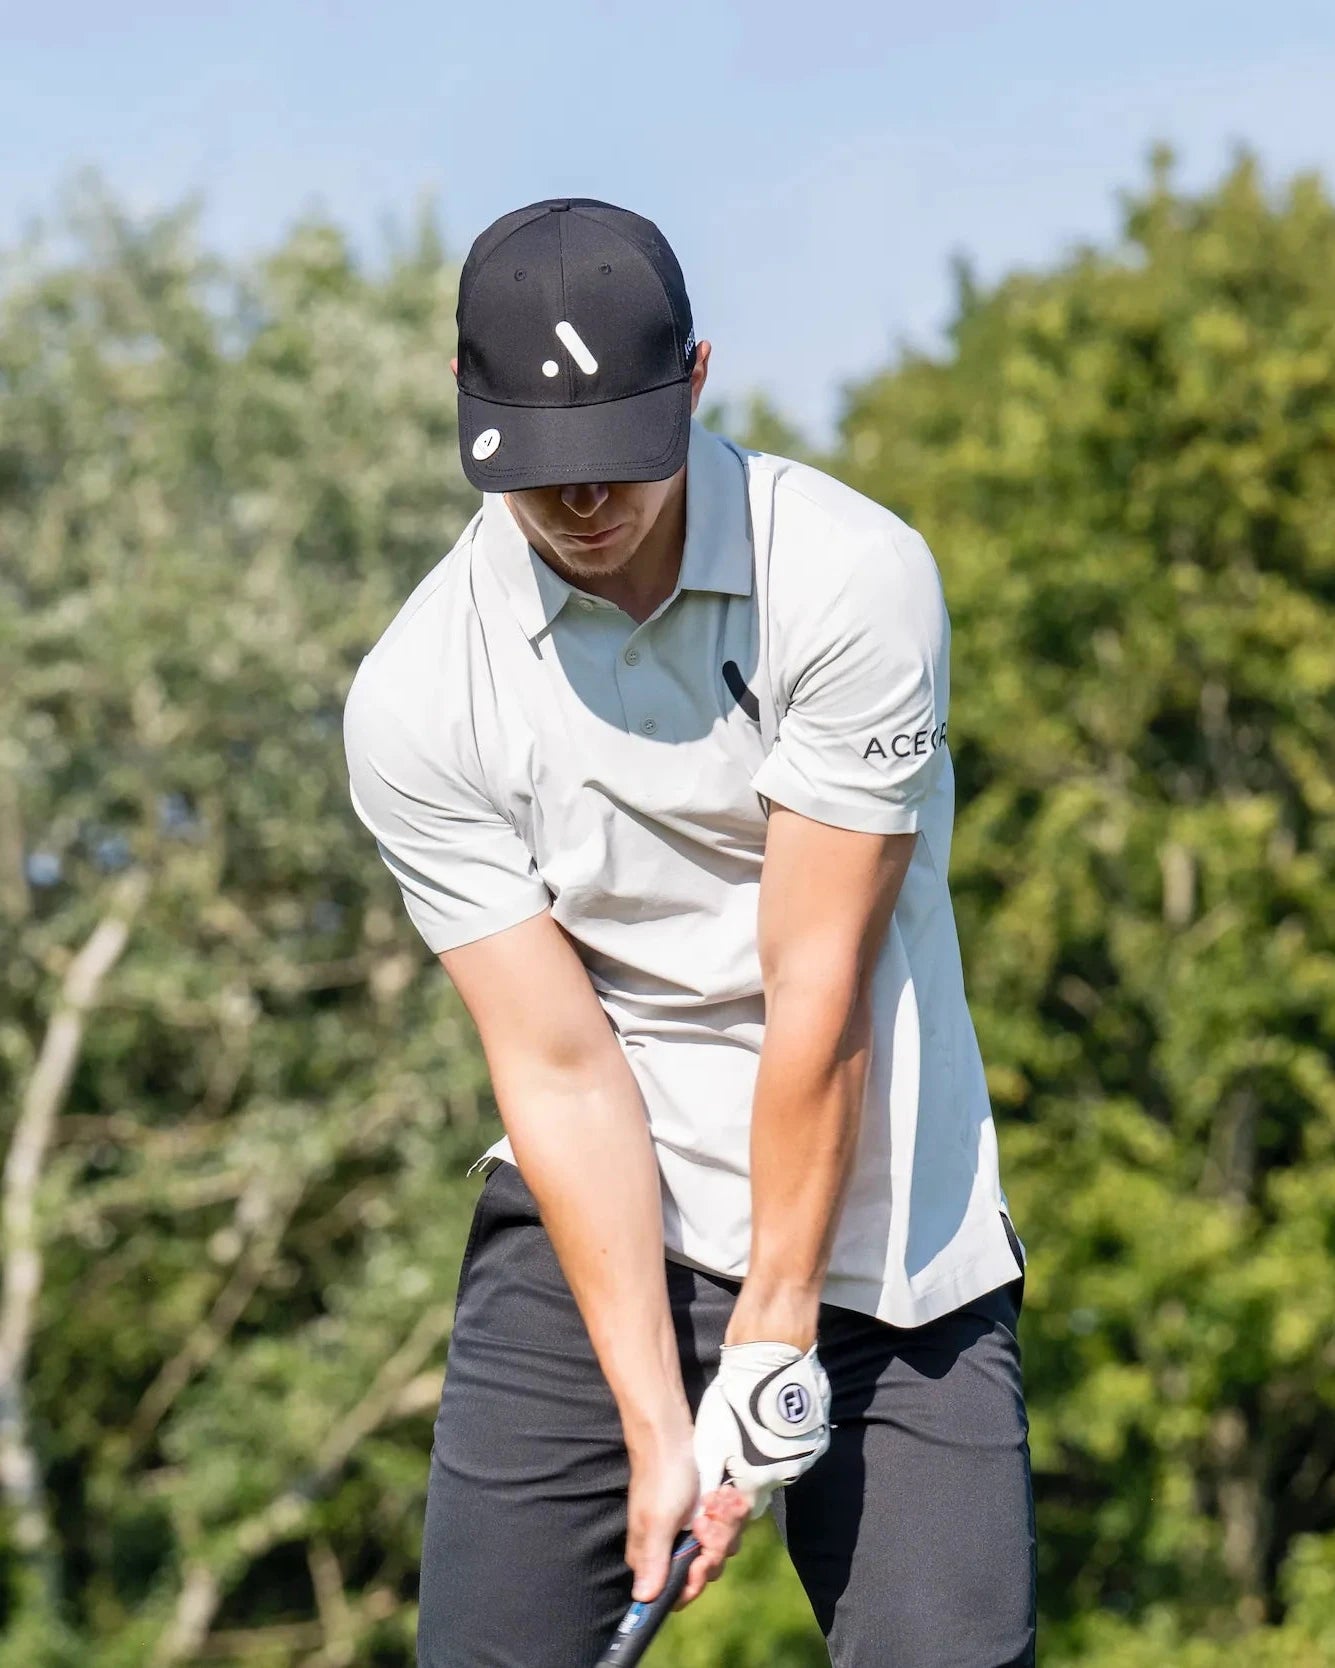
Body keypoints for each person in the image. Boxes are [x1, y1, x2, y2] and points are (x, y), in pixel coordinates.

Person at [343, 197, 1036, 1668]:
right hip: (609, 1214)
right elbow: (560, 1068)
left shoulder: (849, 579)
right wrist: (659, 1421)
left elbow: (818, 986)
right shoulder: (416, 697)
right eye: (541, 469)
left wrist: (775, 1341)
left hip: (883, 1226)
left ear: (699, 377)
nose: (583, 501)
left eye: (616, 455)